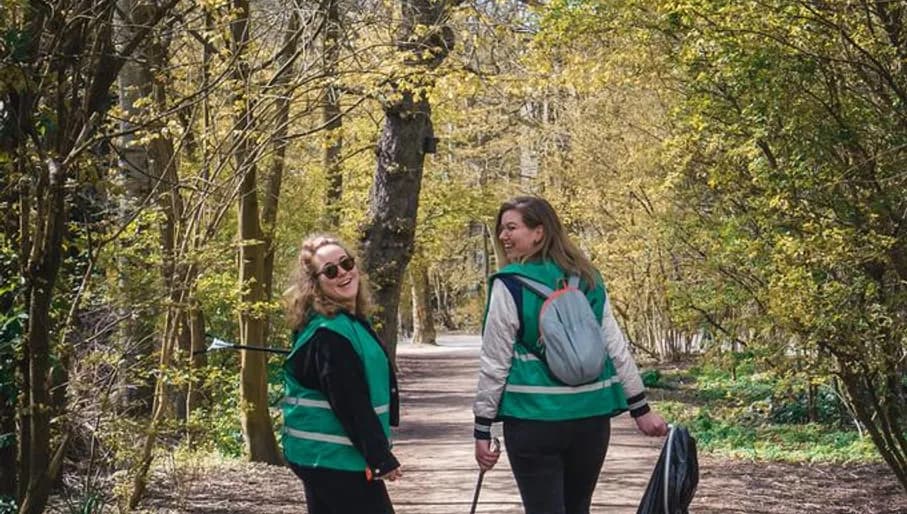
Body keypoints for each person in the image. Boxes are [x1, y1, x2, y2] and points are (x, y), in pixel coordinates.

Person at [473, 196, 669, 514]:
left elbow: (495, 362)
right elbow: (615, 347)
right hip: (591, 419)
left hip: (534, 419)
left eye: (511, 228)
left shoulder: (509, 286)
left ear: (539, 232)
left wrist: (483, 428)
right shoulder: (588, 278)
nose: (503, 236)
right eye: (501, 229)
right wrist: (640, 409)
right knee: (578, 508)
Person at [283, 234, 401, 514]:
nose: (344, 273)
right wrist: (380, 458)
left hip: (320, 456)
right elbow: (350, 402)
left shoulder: (344, 323)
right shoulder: (329, 335)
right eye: (331, 271)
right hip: (333, 458)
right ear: (316, 284)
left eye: (346, 263)